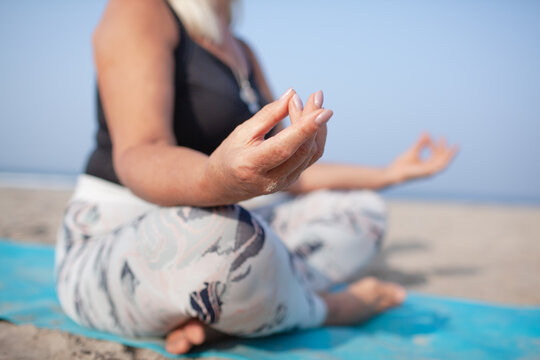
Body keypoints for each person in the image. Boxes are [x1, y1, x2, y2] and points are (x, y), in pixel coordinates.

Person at [54, 0, 458, 355]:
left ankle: (229, 314)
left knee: (361, 211)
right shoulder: (140, 9)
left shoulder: (242, 50)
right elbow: (139, 151)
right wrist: (217, 179)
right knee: (224, 237)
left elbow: (291, 177)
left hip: (234, 221)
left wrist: (389, 174)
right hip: (124, 232)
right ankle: (326, 308)